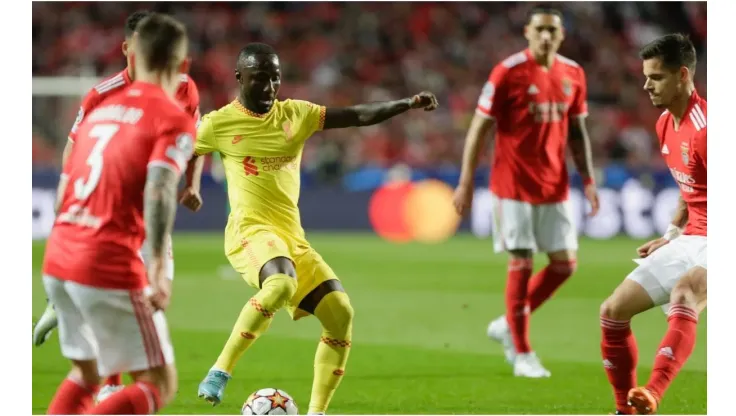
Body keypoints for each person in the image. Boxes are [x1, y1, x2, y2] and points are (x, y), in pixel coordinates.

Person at [192, 42, 438, 414]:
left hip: (292, 237)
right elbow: (181, 149)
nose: (269, 87)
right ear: (240, 77)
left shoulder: (298, 114)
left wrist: (405, 104)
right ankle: (220, 371)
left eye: (275, 78)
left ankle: (317, 412)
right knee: (280, 283)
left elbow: (356, 115)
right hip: (249, 231)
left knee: (341, 314)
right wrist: (189, 184)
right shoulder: (217, 123)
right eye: (260, 78)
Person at [32, 9, 202, 402]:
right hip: (106, 256)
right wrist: (157, 267)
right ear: (182, 64)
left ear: (133, 55)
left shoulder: (101, 108)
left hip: (60, 253)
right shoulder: (170, 116)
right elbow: (160, 189)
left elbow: (65, 189)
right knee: (158, 384)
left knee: (86, 373)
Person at [452, 6, 599, 378]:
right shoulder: (508, 72)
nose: (546, 36)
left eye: (552, 30)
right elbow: (479, 129)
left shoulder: (573, 73)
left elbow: (578, 132)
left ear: (562, 34)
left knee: (565, 264)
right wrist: (466, 181)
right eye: (540, 30)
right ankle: (522, 353)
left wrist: (589, 178)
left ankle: (508, 323)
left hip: (555, 184)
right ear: (527, 32)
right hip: (512, 185)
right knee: (523, 262)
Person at [599, 33, 706, 415]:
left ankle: (652, 394)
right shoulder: (665, 124)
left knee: (685, 295)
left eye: (655, 77)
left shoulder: (709, 129)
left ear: (682, 75)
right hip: (692, 235)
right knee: (612, 311)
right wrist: (672, 234)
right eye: (645, 76)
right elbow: (688, 188)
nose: (646, 85)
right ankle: (624, 410)